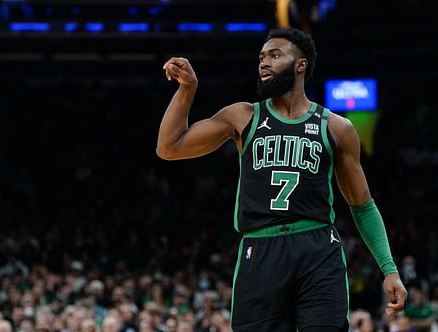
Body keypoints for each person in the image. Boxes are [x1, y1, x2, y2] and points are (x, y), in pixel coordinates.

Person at [156, 27, 408, 332]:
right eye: (262, 57)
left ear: (300, 64)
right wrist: (187, 90)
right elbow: (169, 148)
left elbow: (362, 206)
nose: (264, 62)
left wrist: (389, 269)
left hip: (317, 249)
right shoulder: (243, 116)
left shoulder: (336, 128)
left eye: (275, 55)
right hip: (260, 248)